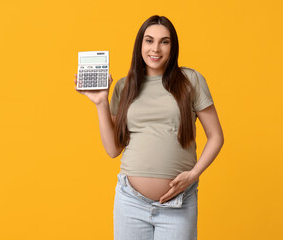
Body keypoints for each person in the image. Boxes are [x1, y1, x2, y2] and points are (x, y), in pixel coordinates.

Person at [74, 15, 224, 240]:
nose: (156, 48)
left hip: (178, 203)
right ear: (140, 45)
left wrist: (193, 175)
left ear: (173, 47)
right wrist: (101, 102)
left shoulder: (191, 80)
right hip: (130, 202)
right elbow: (113, 150)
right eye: (149, 40)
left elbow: (216, 136)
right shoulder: (124, 86)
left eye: (165, 41)